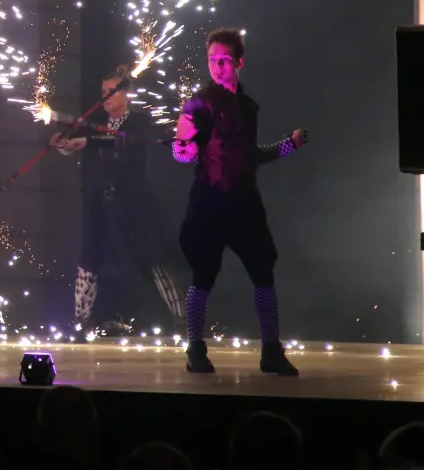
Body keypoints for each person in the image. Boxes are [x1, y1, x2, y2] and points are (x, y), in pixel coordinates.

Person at [170, 28, 307, 376]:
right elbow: (184, 152)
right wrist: (182, 146)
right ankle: (195, 348)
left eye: (223, 60)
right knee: (203, 276)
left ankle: (271, 350)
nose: (216, 67)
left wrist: (290, 145)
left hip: (244, 202)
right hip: (209, 203)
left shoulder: (247, 107)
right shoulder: (199, 104)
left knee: (263, 274)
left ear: (238, 62)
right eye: (212, 60)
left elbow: (249, 156)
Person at [51, 64, 186, 334]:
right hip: (102, 201)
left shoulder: (139, 121)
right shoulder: (97, 126)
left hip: (133, 202)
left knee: (154, 258)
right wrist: (66, 145)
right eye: (103, 92)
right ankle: (80, 322)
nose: (106, 97)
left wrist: (87, 141)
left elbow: (122, 141)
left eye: (112, 92)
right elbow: (85, 141)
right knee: (89, 259)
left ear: (126, 94)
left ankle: (183, 319)